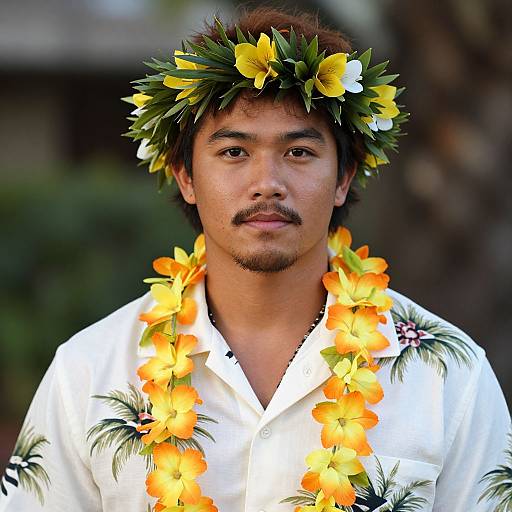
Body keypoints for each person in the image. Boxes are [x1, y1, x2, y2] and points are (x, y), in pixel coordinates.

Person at [1, 8, 510, 512]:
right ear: (185, 176)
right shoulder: (90, 374)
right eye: (234, 152)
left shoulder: (449, 377)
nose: (267, 183)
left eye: (299, 153)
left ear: (343, 179)